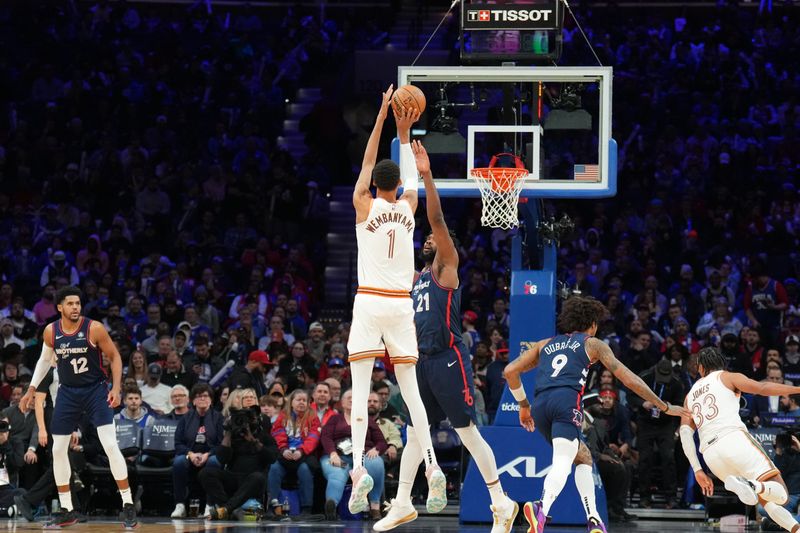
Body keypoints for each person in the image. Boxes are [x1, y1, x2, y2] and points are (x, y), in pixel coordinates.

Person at [375, 140, 516, 533]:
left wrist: (425, 175)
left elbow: (435, 219)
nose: (427, 239)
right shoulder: (416, 278)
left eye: (433, 239)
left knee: (466, 432)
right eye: (426, 239)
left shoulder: (445, 268)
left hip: (449, 358)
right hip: (420, 362)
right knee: (415, 434)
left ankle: (500, 502)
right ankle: (402, 501)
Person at [503, 296, 687, 533]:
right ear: (592, 323)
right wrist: (663, 406)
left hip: (539, 407)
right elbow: (630, 379)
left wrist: (523, 405)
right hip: (565, 403)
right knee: (562, 461)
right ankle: (542, 508)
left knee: (583, 457)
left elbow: (510, 371)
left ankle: (593, 519)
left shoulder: (544, 344)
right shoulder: (593, 344)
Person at [346, 85, 443, 517]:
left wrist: (383, 115)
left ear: (373, 186)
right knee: (413, 395)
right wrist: (405, 134)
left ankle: (356, 471)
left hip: (368, 303)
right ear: (399, 184)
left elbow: (369, 162)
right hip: (401, 304)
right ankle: (433, 466)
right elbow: (395, 172)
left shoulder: (362, 205)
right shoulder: (408, 206)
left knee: (359, 390)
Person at [19, 286, 137, 528]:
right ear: (60, 307)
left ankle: (127, 504)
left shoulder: (93, 327)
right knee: (58, 450)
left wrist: (116, 389)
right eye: (70, 303)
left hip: (95, 390)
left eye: (78, 303)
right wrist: (31, 389)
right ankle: (67, 509)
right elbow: (43, 360)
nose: (75, 307)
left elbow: (114, 357)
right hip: (68, 392)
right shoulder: (51, 331)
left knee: (110, 444)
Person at [680, 346, 800, 533]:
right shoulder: (727, 377)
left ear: (701, 368)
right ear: (722, 364)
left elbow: (686, 435)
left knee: (766, 500)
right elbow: (762, 388)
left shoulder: (689, 397)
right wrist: (797, 389)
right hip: (732, 440)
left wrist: (697, 470)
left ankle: (796, 529)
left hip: (712, 459)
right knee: (782, 494)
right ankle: (751, 485)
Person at [321, 389, 386, 520]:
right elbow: (325, 437)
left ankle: (375, 507)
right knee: (336, 474)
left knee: (377, 464)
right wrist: (333, 454)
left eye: (354, 398)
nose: (351, 400)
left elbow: (382, 442)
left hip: (363, 456)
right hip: (338, 456)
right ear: (342, 403)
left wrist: (376, 449)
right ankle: (331, 506)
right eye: (348, 397)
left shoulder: (368, 420)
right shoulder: (334, 419)